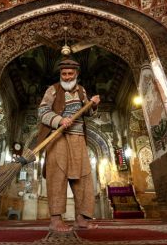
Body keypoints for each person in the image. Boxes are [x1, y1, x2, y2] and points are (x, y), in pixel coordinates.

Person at [37, 56, 100, 232]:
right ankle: (56, 220)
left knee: (84, 177)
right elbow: (42, 111)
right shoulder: (52, 90)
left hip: (78, 138)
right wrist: (59, 120)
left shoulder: (82, 91)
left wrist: (93, 105)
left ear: (76, 74)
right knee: (57, 176)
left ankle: (82, 218)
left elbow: (87, 113)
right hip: (58, 139)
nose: (66, 77)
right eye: (63, 74)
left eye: (70, 73)